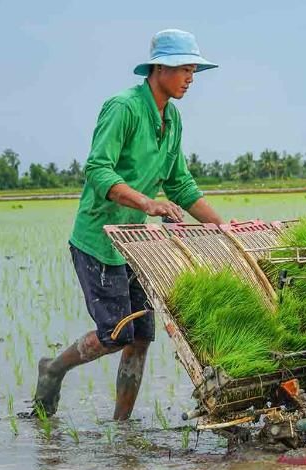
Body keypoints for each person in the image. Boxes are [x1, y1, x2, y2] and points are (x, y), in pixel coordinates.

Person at [33, 29, 227, 419]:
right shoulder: (122, 107)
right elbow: (98, 170)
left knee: (140, 338)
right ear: (160, 68)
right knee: (115, 335)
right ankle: (53, 368)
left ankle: (121, 427)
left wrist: (221, 226)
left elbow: (180, 182)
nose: (191, 79)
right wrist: (146, 203)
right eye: (186, 70)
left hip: (134, 245)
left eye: (194, 71)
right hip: (98, 239)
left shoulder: (171, 118)